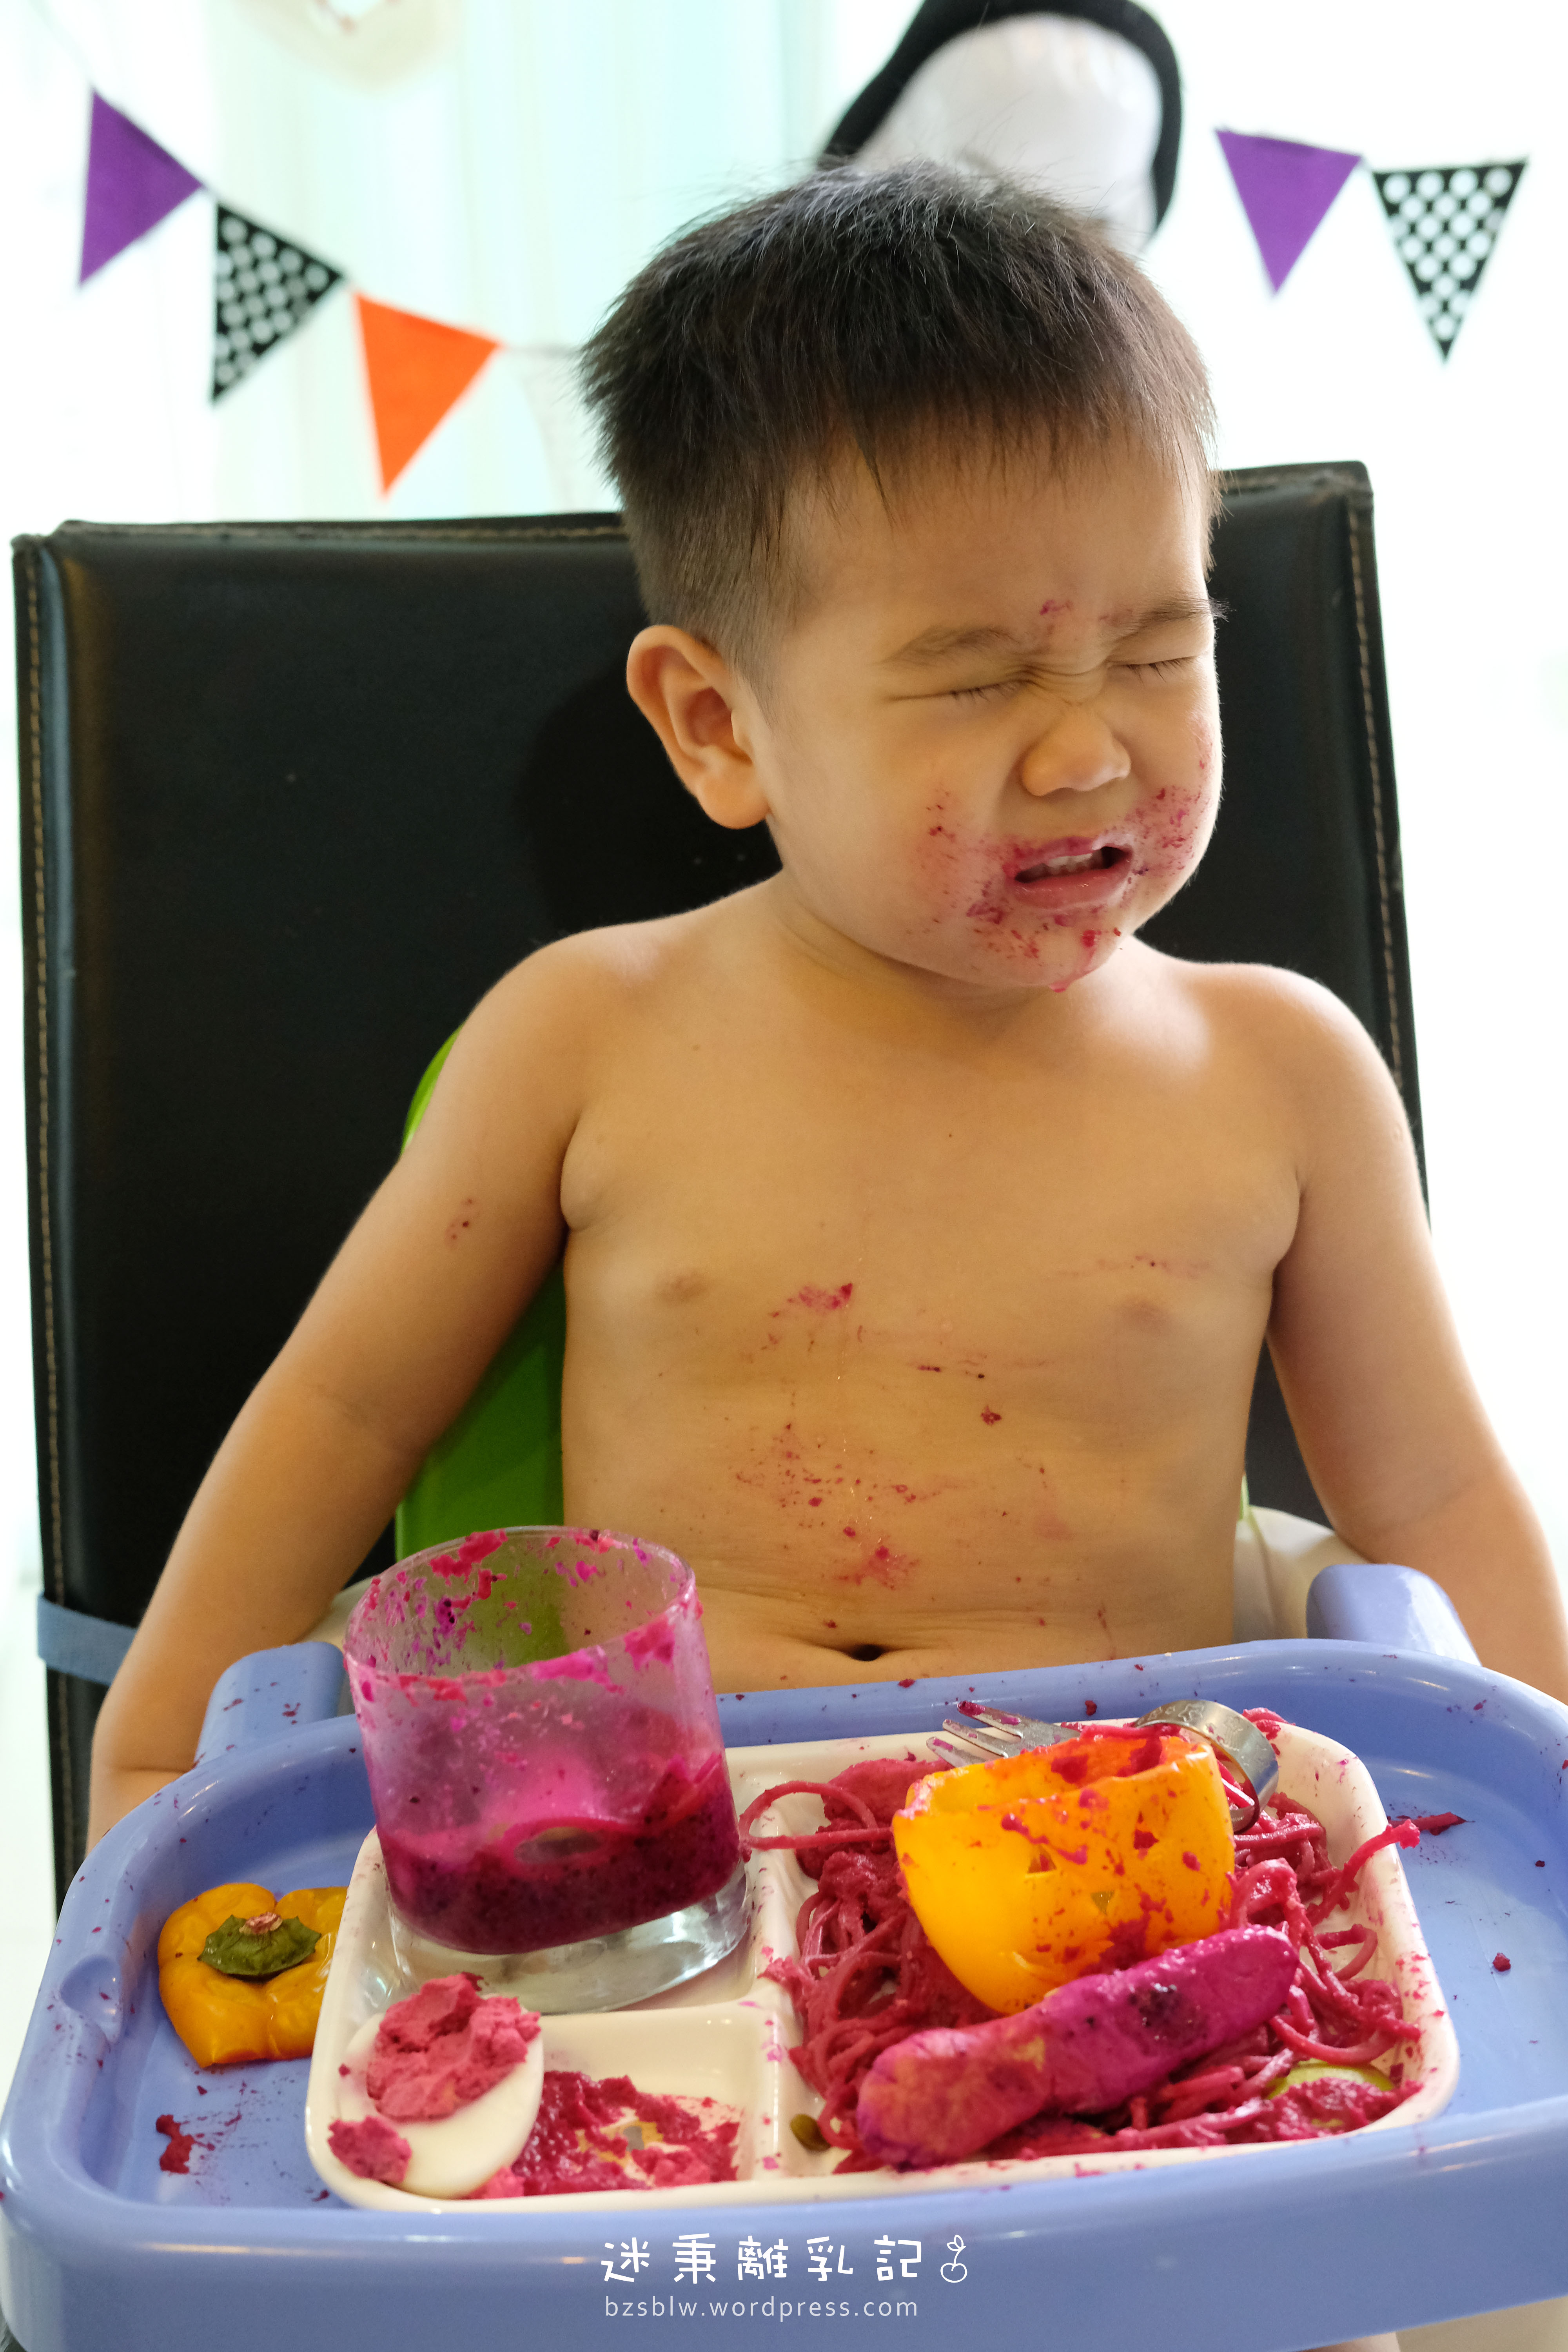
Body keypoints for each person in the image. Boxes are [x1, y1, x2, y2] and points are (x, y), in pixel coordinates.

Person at [87, 164, 1568, 1849]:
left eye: (1160, 652)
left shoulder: (1282, 1075)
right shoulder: (585, 1042)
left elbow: (1435, 1496)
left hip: (1128, 1854)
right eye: (979, 677)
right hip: (669, 1865)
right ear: (718, 727)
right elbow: (342, 1414)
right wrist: (149, 1772)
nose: (1089, 750)